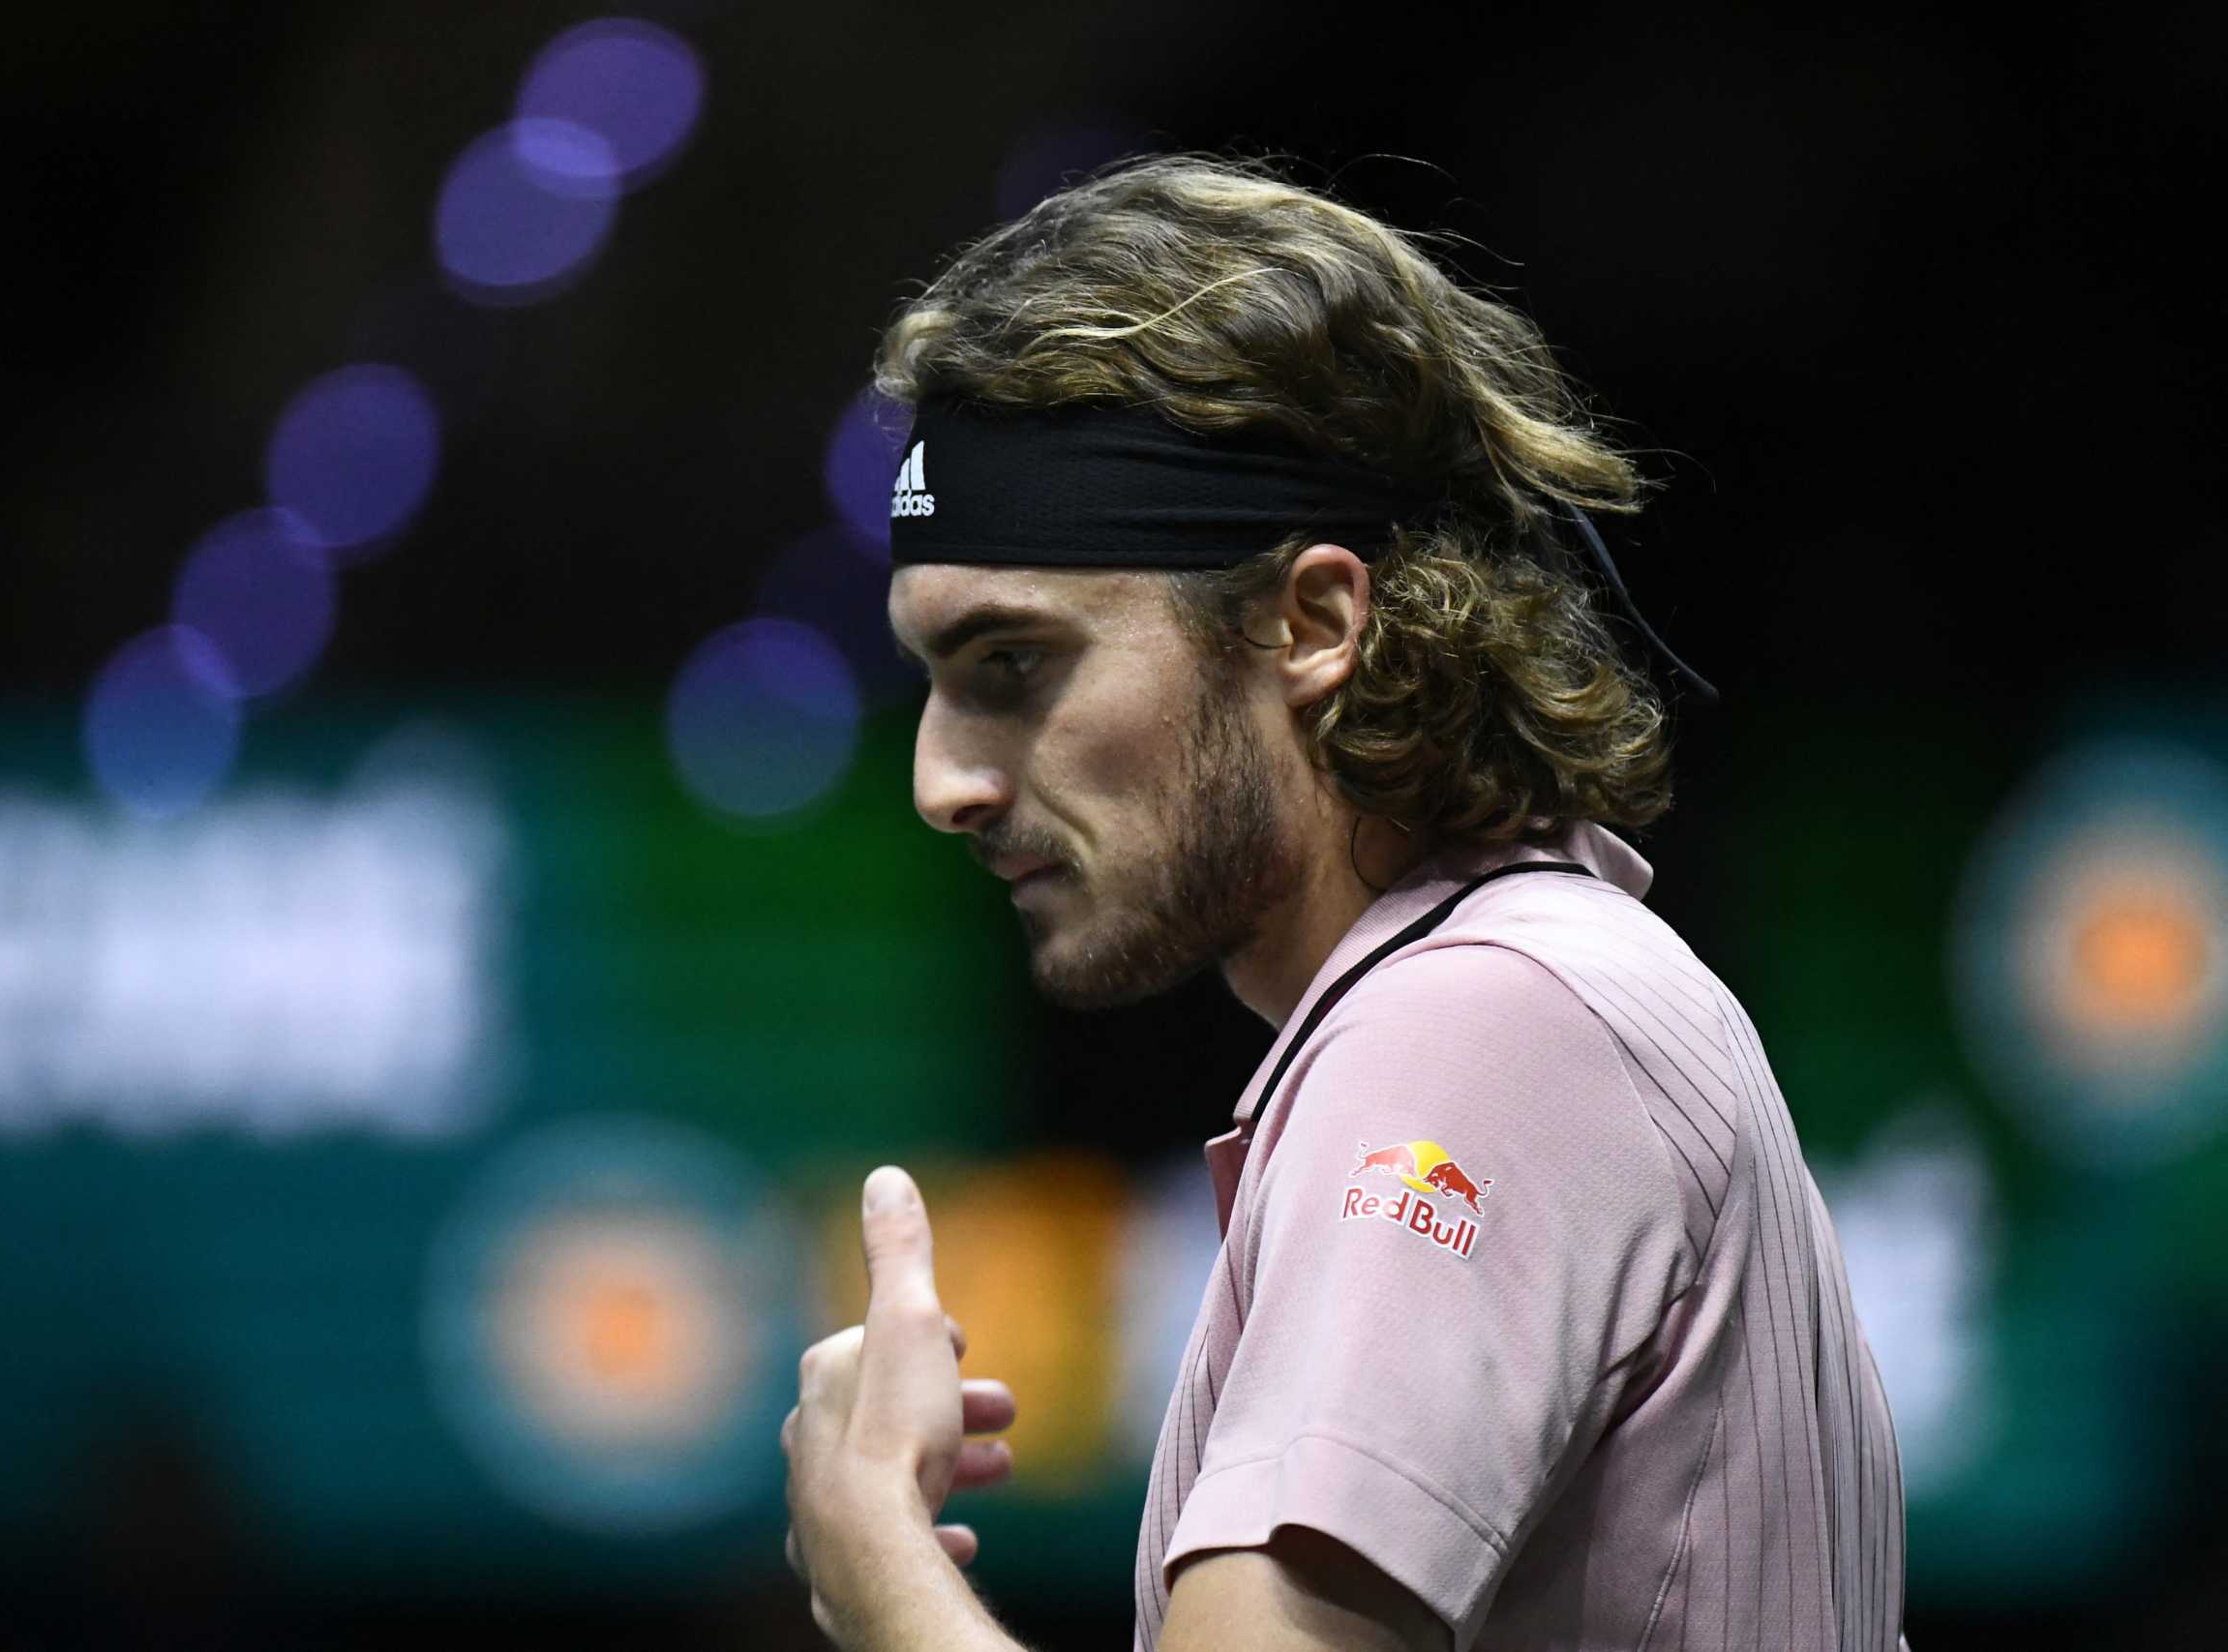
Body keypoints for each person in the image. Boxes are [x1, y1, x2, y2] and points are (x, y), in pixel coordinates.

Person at [779, 152, 1907, 1651]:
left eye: (1015, 669)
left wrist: (876, 1568)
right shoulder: (1524, 992)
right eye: (935, 682)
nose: (944, 782)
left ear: (1313, 621)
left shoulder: (1486, 1028)